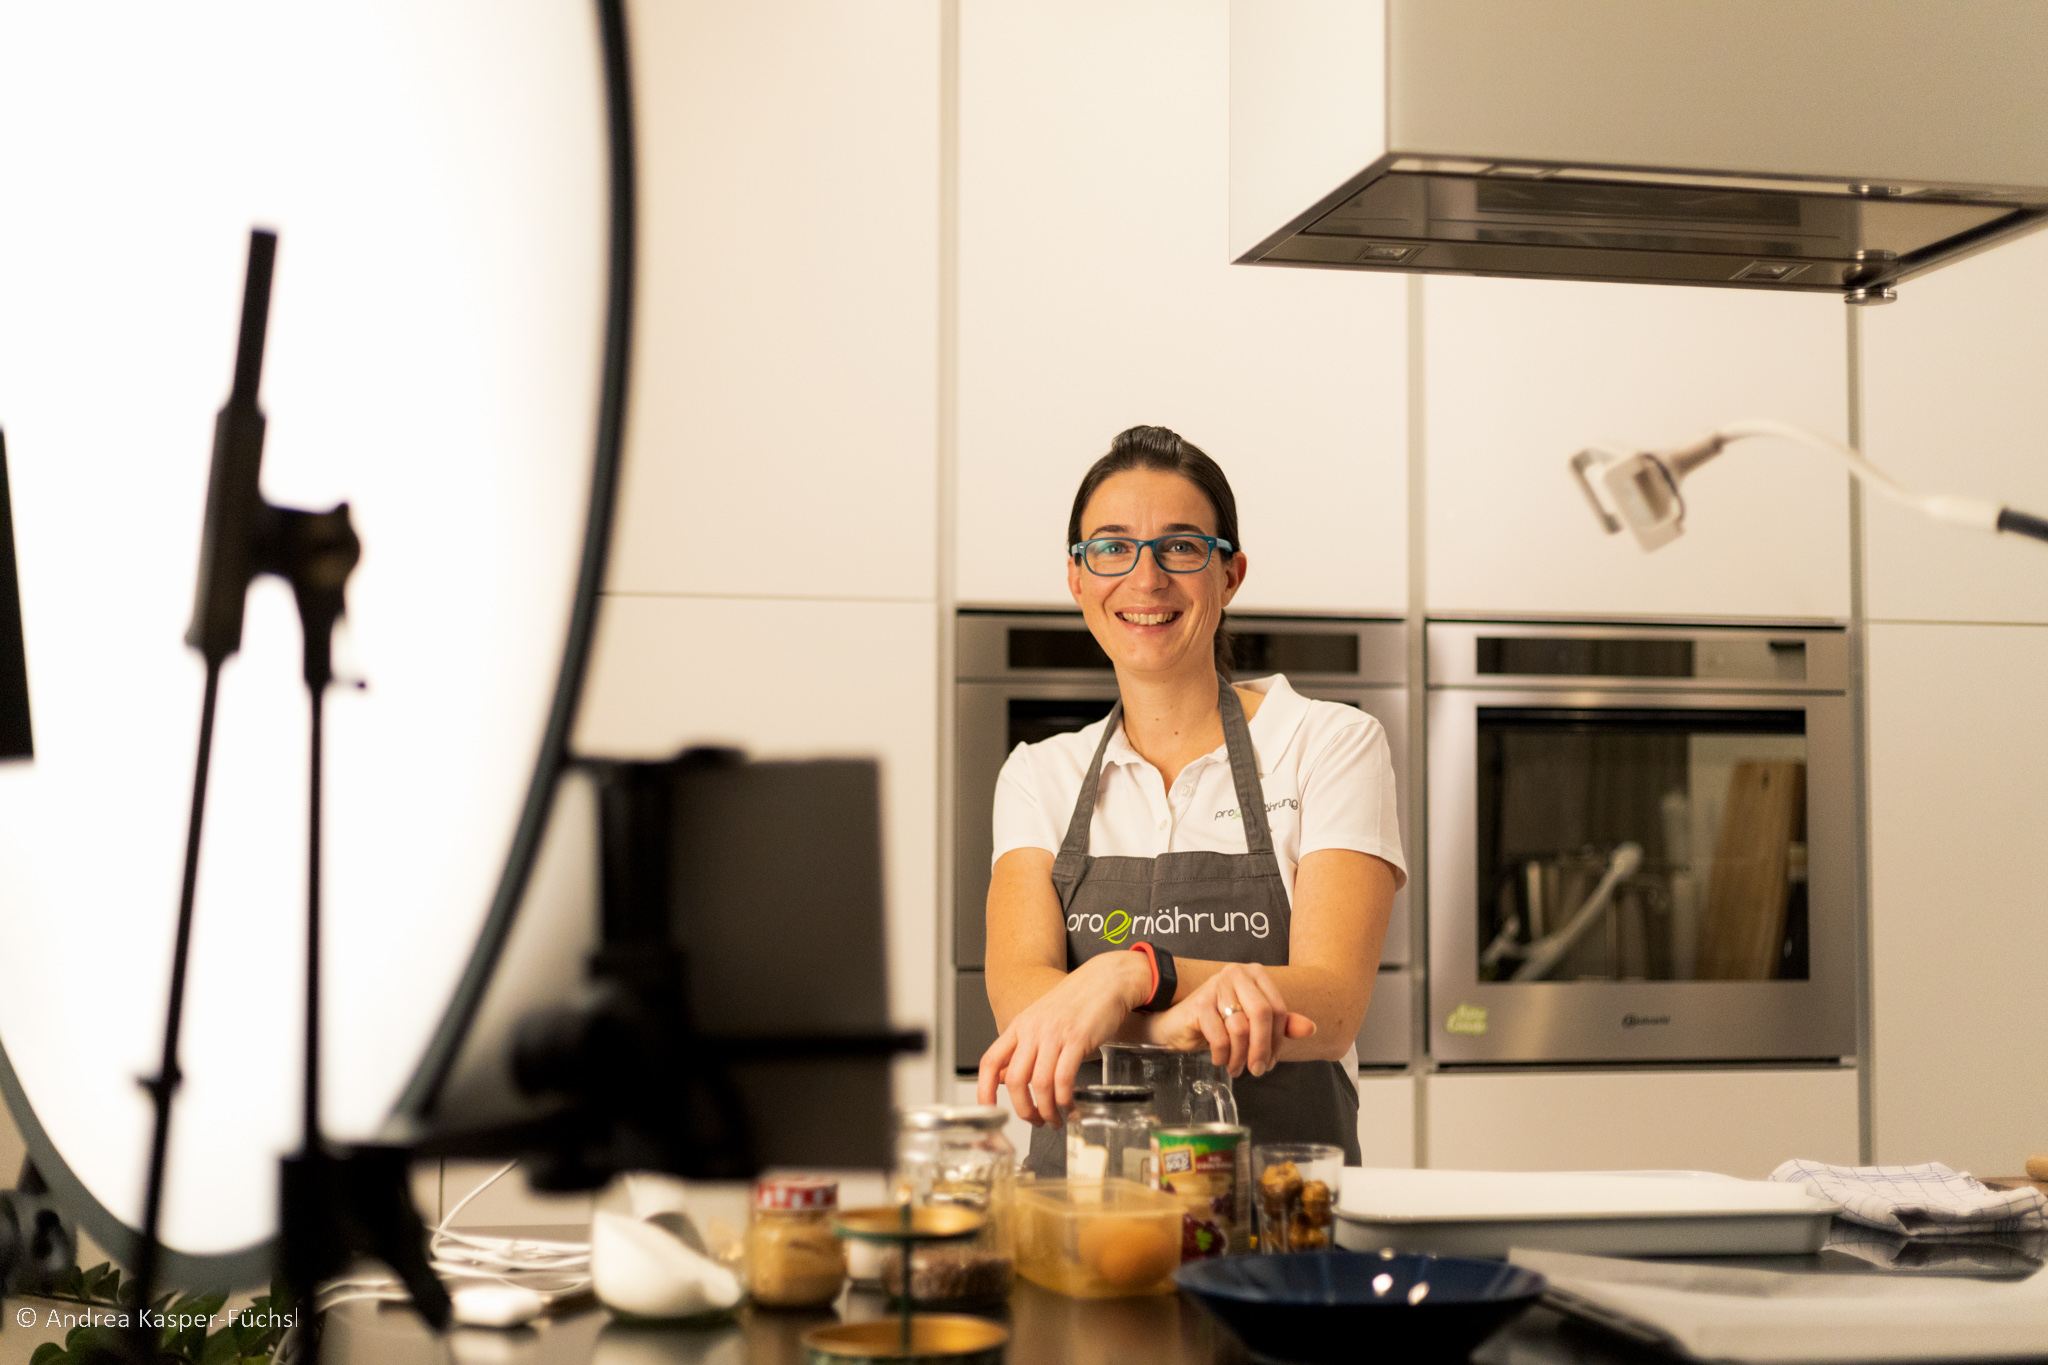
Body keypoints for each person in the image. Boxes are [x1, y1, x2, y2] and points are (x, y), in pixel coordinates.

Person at [975, 425, 1406, 1173]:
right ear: (1077, 579)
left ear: (1230, 574)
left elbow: (1330, 1006)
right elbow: (1026, 1006)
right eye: (1111, 547)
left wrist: (1132, 973)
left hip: (1279, 1222)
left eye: (1179, 547)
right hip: (1081, 1222)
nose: (1145, 580)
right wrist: (1177, 1024)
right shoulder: (1038, 775)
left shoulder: (1330, 743)